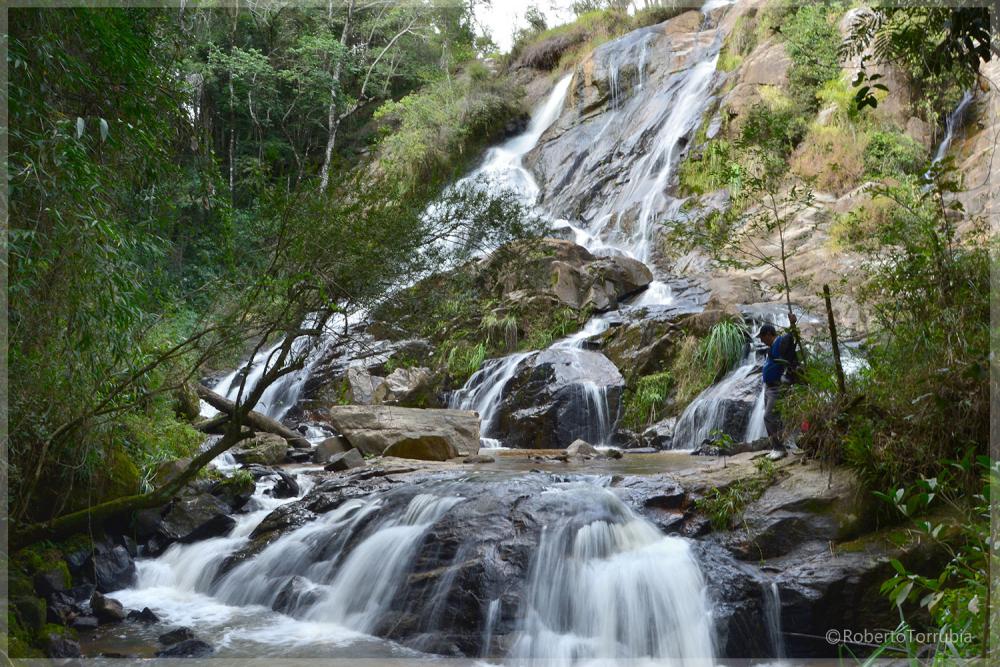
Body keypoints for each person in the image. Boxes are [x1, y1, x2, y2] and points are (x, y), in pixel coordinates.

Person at [757, 314, 799, 460]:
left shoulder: (780, 341)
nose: (761, 340)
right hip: (768, 387)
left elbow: (792, 337)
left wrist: (792, 323)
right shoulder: (771, 348)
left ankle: (779, 448)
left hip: (777, 387)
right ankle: (778, 446)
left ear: (769, 334)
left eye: (762, 336)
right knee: (775, 419)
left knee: (769, 417)